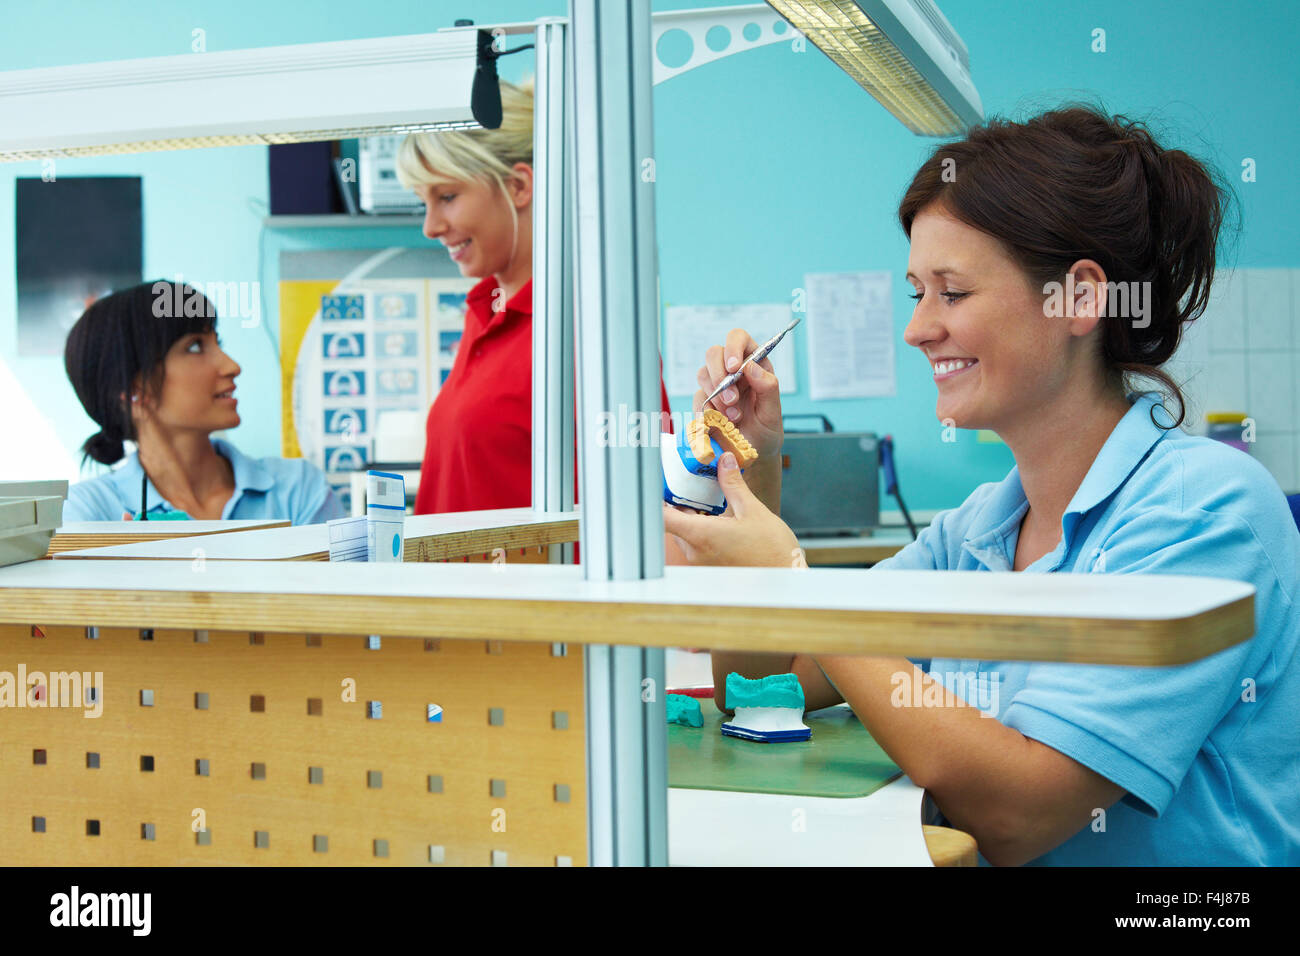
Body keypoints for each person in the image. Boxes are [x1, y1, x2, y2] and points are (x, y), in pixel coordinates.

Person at [663, 106, 1300, 866]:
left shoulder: (1206, 510)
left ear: (1080, 298)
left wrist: (796, 584)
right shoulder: (976, 531)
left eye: (951, 293)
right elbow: (765, 685)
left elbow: (1019, 814)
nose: (918, 328)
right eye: (916, 294)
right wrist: (758, 471)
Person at [396, 78, 677, 521]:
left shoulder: (593, 328)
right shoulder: (485, 312)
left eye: (447, 197)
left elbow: (650, 520)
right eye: (423, 203)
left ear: (519, 187)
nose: (430, 227)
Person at [63, 281, 344, 525]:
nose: (232, 366)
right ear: (133, 389)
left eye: (217, 341)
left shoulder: (299, 490)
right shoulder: (87, 515)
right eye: (195, 346)